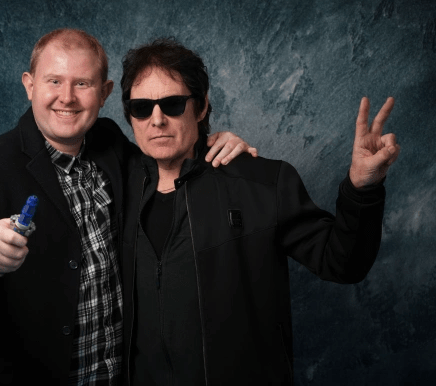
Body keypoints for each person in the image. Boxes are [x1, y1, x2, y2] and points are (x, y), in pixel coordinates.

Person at [0, 28, 256, 385]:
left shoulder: (109, 141)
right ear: (30, 85)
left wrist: (209, 144)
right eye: (54, 81)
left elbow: (166, 160)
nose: (67, 98)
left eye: (82, 83)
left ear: (104, 93)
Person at [119, 38, 400, 385]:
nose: (157, 120)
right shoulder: (117, 188)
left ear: (201, 106)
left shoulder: (264, 183)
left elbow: (342, 263)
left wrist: (361, 188)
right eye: (142, 108)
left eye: (173, 104)